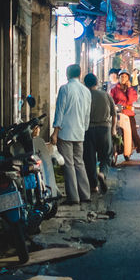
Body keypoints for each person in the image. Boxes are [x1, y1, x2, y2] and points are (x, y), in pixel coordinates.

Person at [51, 63, 93, 205]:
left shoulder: (65, 89)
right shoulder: (86, 91)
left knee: (69, 164)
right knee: (79, 163)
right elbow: (87, 114)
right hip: (80, 132)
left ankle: (73, 197)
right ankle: (85, 194)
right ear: (79, 74)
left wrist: (55, 132)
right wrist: (84, 128)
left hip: (66, 132)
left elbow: (60, 112)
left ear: (67, 74)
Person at [81, 73, 113, 195]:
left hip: (88, 130)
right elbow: (114, 114)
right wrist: (114, 129)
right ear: (97, 83)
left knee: (89, 158)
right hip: (104, 129)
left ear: (85, 83)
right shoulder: (105, 95)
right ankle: (103, 173)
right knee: (106, 155)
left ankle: (93, 186)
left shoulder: (84, 96)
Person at [110, 70, 140, 163]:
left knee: (134, 133)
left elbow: (131, 99)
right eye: (122, 77)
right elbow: (111, 99)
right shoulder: (114, 89)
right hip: (117, 113)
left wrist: (129, 88)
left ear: (128, 79)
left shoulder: (131, 90)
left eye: (125, 77)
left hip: (128, 113)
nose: (123, 78)